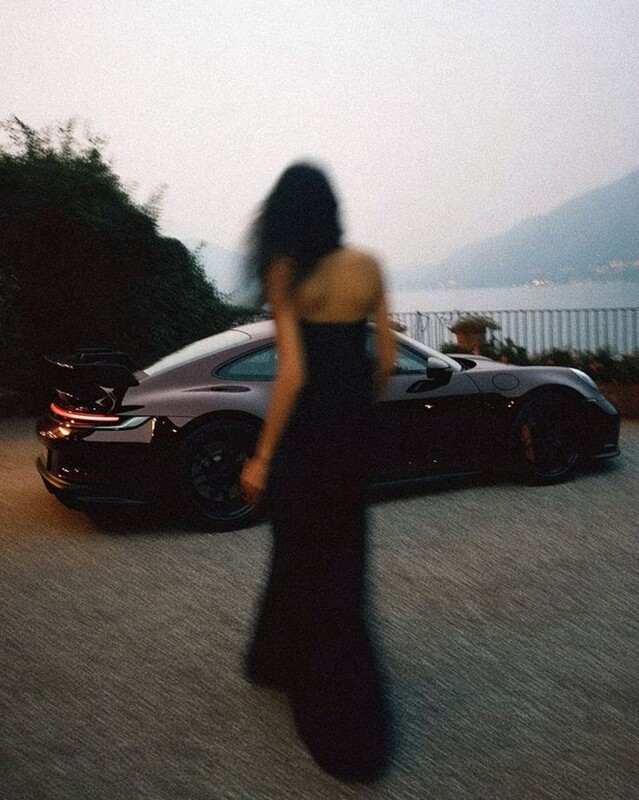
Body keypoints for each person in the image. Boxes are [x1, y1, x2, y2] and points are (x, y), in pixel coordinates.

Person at [240, 162, 396, 783]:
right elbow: (385, 361)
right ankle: (294, 665)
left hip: (305, 443)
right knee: (343, 566)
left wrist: (262, 456)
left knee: (300, 555)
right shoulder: (370, 266)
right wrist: (355, 411)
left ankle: (297, 673)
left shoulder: (286, 272)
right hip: (350, 441)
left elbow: (293, 374)